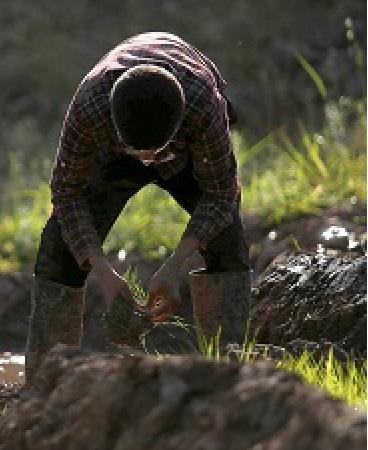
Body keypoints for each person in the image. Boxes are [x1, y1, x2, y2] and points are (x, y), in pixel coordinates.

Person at [25, 32, 250, 382]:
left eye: (154, 155)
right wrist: (100, 268)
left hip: (186, 147)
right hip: (114, 152)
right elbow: (66, 194)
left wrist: (176, 265)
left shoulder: (204, 107)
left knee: (228, 242)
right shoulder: (90, 109)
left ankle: (231, 377)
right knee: (58, 247)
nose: (148, 163)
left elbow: (221, 194)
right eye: (141, 155)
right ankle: (45, 383)